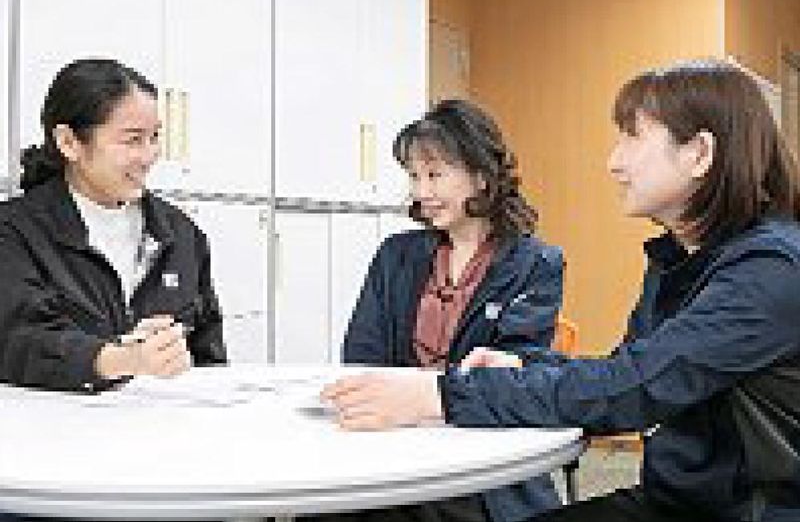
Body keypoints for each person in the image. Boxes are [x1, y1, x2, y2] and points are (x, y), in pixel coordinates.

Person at [324, 60, 800, 522]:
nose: (614, 162)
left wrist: (440, 395)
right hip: (685, 498)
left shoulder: (770, 271)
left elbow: (633, 389)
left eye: (631, 137)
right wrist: (526, 367)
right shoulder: (682, 258)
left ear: (699, 153)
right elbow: (626, 368)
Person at [340, 99, 565, 522]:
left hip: (482, 458)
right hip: (395, 445)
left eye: (435, 175)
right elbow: (362, 355)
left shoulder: (535, 264)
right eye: (414, 176)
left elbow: (516, 375)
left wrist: (430, 400)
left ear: (481, 176)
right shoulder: (394, 256)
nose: (421, 192)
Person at [0, 58, 227, 393]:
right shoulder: (15, 231)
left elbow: (209, 358)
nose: (149, 156)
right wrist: (119, 360)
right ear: (69, 142)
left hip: (163, 421)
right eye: (132, 140)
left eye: (154, 137)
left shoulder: (180, 235)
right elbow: (18, 342)